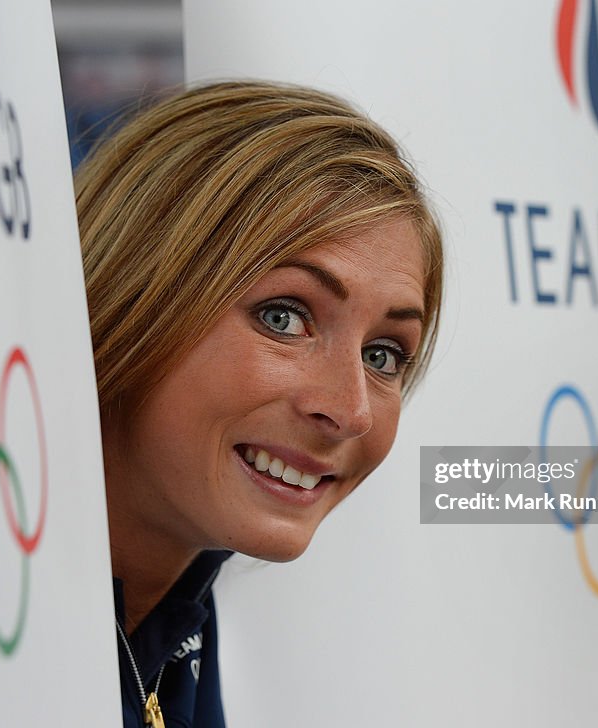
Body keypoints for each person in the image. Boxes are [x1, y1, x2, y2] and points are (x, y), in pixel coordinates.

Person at [75, 80, 444, 727]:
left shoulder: (181, 601)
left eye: (383, 355)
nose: (350, 409)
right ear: (136, 287)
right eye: (284, 316)